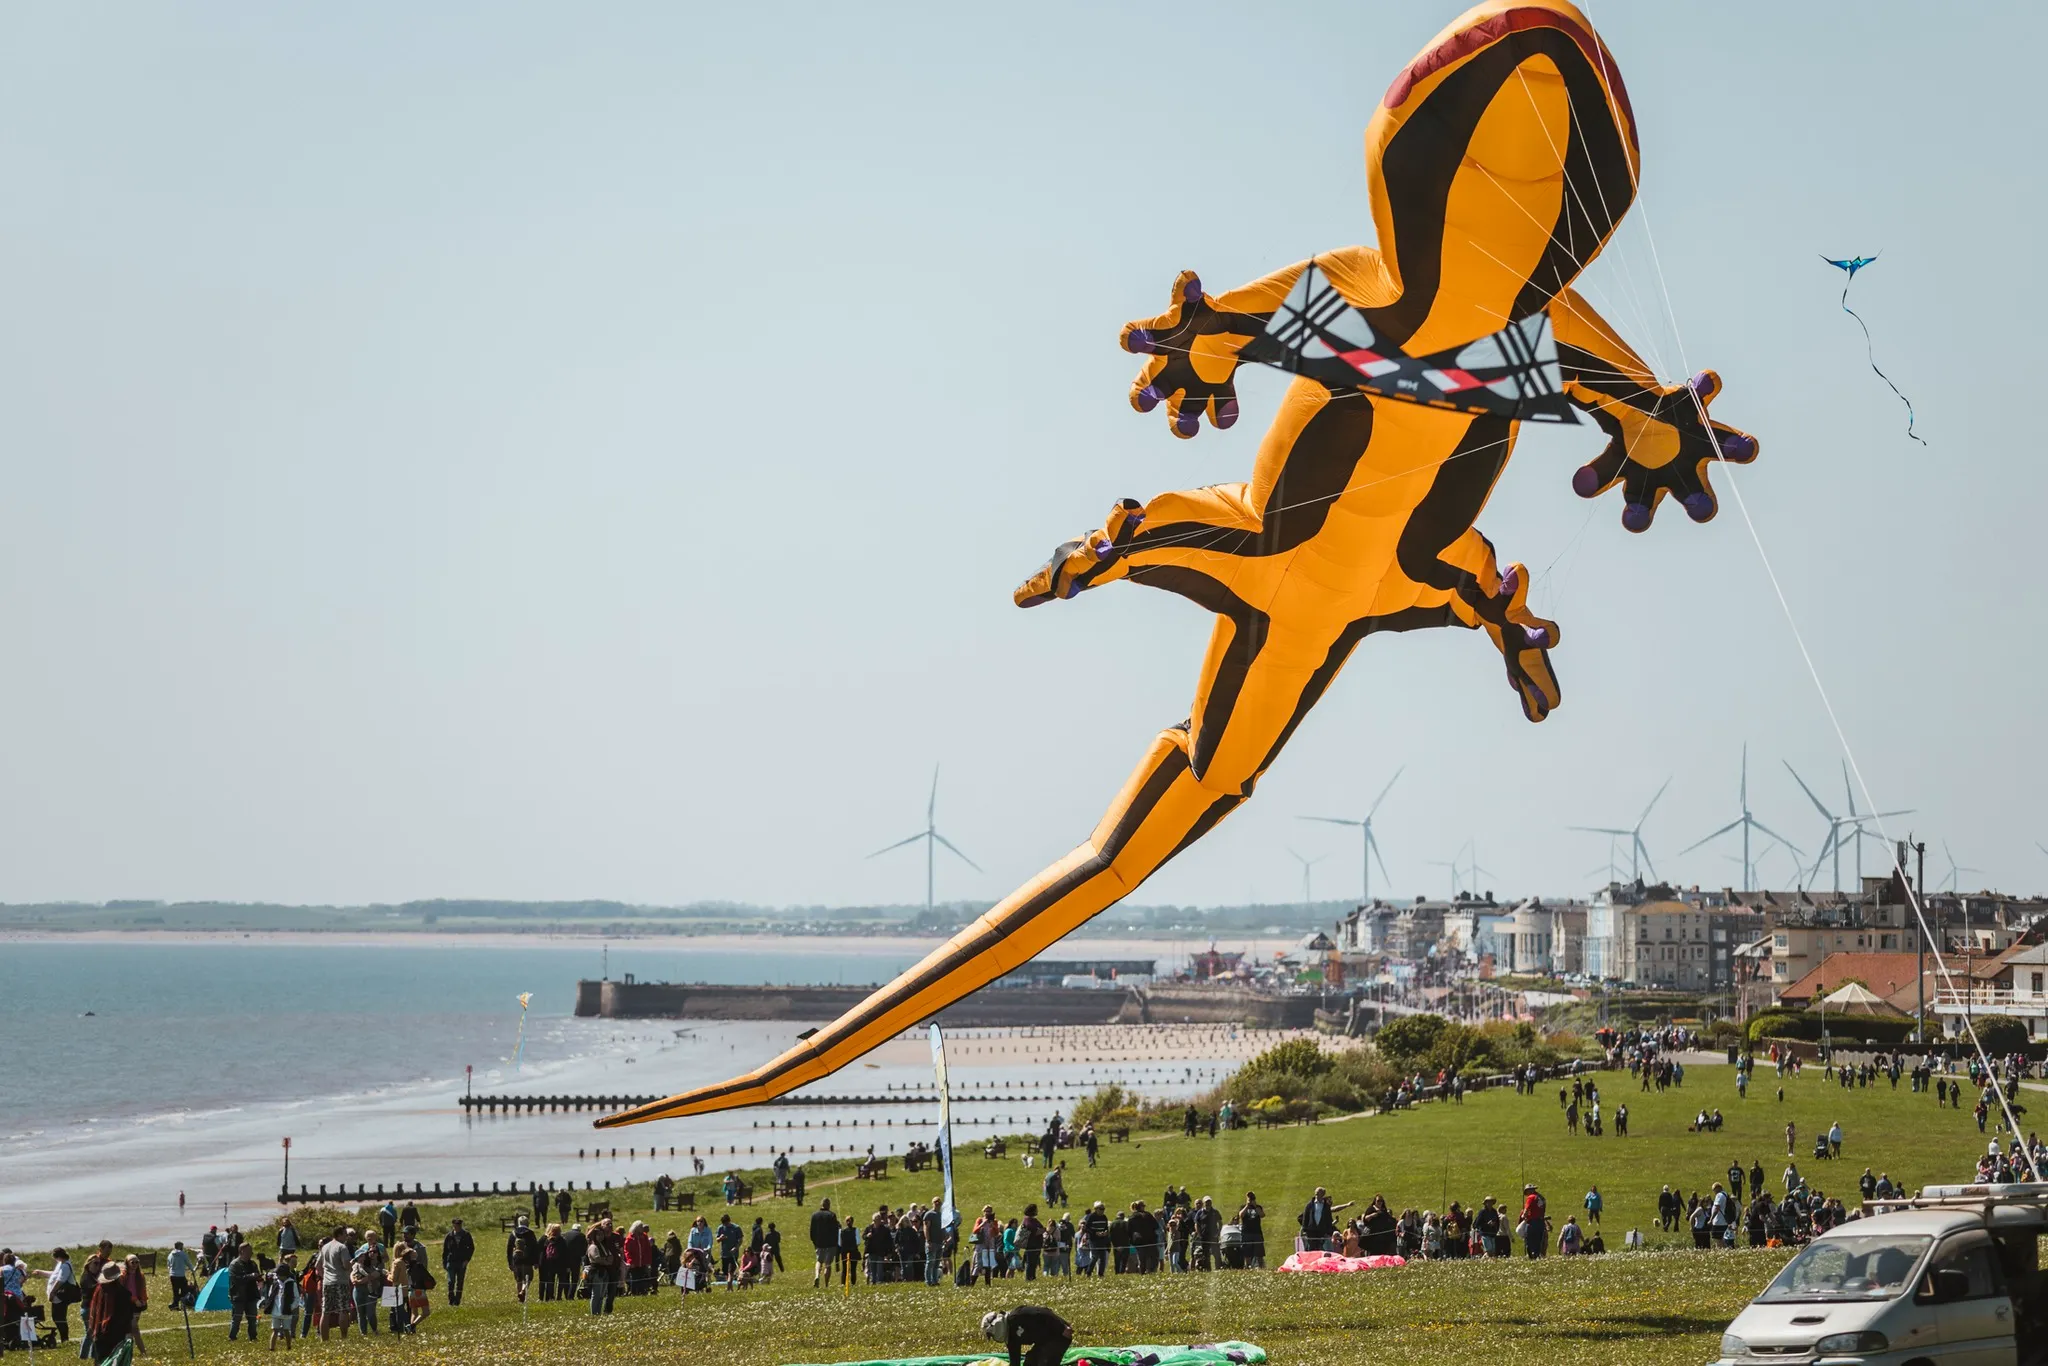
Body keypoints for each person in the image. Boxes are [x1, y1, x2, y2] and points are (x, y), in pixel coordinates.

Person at [983, 1305, 1074, 1366]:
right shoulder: (1010, 1338)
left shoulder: (1018, 1315)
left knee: (1044, 1360)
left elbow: (1044, 1312)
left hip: (1060, 1334)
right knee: (1030, 1361)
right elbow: (1015, 1361)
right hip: (1046, 1341)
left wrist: (1061, 1327)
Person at [85, 1261, 136, 1366]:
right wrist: (128, 1332)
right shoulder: (123, 1293)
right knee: (115, 1360)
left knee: (101, 1360)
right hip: (116, 1333)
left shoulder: (99, 1290)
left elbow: (94, 1311)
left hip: (100, 1331)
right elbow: (127, 1316)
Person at [316, 1230, 353, 1341]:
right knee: (343, 1310)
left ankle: (324, 1339)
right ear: (339, 1235)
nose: (346, 1236)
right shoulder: (342, 1247)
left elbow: (317, 1265)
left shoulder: (325, 1247)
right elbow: (346, 1265)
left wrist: (324, 1276)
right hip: (341, 1281)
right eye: (345, 1234)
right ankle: (344, 1337)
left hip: (327, 1283)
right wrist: (351, 1265)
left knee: (325, 1311)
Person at [229, 1242, 265, 1341]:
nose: (251, 1252)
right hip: (239, 1296)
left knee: (252, 1318)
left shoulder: (253, 1263)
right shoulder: (234, 1264)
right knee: (237, 1318)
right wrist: (250, 1276)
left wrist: (260, 1280)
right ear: (242, 1251)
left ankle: (253, 1337)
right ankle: (232, 1337)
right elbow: (236, 1279)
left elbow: (257, 1276)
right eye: (249, 1251)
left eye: (251, 1250)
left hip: (251, 1295)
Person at [266, 1252, 300, 1349]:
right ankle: (271, 1348)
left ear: (285, 1275)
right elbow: (270, 1295)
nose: (277, 1276)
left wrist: (291, 1307)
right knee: (275, 1330)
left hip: (286, 1312)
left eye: (279, 1274)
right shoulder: (275, 1284)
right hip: (275, 1312)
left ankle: (289, 1346)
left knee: (286, 1330)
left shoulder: (291, 1284)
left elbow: (296, 1298)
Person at [441, 1218, 474, 1306]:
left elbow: (471, 1248)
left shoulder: (466, 1235)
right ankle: (451, 1300)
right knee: (451, 1281)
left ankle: (457, 1300)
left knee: (460, 1281)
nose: (457, 1227)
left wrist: (467, 1260)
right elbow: (445, 1250)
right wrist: (444, 1262)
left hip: (462, 1262)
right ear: (453, 1226)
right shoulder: (449, 1236)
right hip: (451, 1262)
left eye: (459, 1225)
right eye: (456, 1226)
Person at [506, 1215, 538, 1303]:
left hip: (516, 1259)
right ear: (527, 1223)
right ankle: (523, 1291)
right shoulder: (530, 1233)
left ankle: (520, 1297)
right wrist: (536, 1261)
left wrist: (510, 1262)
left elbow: (509, 1248)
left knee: (518, 1279)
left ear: (518, 1223)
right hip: (528, 1259)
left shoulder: (513, 1233)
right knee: (528, 1278)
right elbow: (535, 1248)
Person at [809, 1199, 839, 1289]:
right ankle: (826, 1284)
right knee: (828, 1264)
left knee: (819, 1261)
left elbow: (812, 1231)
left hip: (819, 1243)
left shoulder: (814, 1215)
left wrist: (814, 1241)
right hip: (830, 1244)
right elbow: (835, 1231)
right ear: (828, 1205)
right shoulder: (832, 1215)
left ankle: (817, 1276)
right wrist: (836, 1243)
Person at [1238, 1193, 1266, 1269]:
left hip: (1257, 1233)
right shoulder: (1243, 1207)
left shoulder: (1258, 1207)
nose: (1251, 1201)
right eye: (1250, 1199)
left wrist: (1255, 1206)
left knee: (1259, 1254)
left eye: (1252, 1199)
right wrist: (1247, 1206)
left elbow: (1262, 1215)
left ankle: (1261, 1267)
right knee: (1247, 1254)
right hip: (1246, 1233)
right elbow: (1240, 1215)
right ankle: (1248, 1267)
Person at [165, 1241, 191, 1312]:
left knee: (175, 1290)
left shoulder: (170, 1254)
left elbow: (168, 1264)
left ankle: (175, 1305)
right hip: (180, 1275)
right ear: (180, 1246)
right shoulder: (183, 1254)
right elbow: (188, 1262)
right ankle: (181, 1303)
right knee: (184, 1290)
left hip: (172, 1275)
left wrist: (170, 1270)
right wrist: (192, 1269)